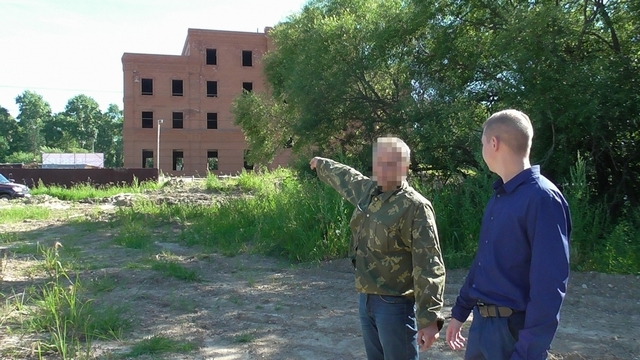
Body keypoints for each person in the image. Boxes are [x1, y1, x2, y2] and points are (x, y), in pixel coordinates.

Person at [445, 109, 572, 359]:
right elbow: (484, 263)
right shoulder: (500, 196)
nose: (482, 150)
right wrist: (460, 312)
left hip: (512, 333)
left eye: (482, 143)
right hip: (482, 328)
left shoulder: (542, 198)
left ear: (494, 143)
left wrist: (527, 353)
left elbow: (549, 286)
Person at [310, 136, 445, 360]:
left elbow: (429, 264)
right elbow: (348, 178)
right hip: (367, 297)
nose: (382, 168)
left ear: (405, 167)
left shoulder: (415, 207)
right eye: (379, 161)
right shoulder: (370, 191)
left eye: (390, 162)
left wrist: (429, 319)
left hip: (395, 303)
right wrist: (323, 164)